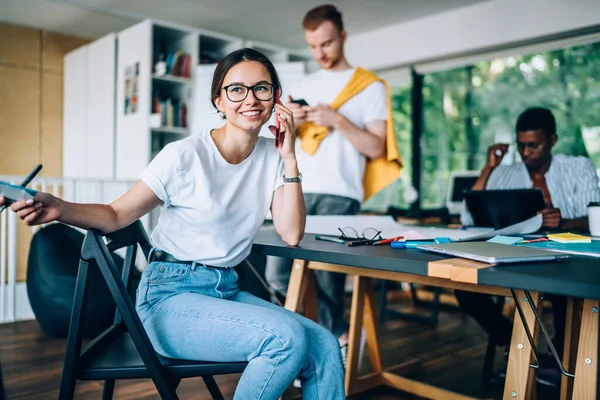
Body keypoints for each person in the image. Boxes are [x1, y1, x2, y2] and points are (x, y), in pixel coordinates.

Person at [2, 48, 345, 400]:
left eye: (262, 88)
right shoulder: (183, 156)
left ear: (276, 98)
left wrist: (289, 157)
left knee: (324, 345)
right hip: (170, 299)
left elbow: (291, 234)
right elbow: (117, 214)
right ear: (219, 100)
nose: (251, 98)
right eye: (237, 89)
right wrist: (59, 207)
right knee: (285, 340)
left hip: (225, 291)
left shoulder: (273, 155)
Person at [265, 4, 401, 358]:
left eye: (326, 44)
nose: (319, 53)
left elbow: (376, 148)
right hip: (297, 188)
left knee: (327, 278)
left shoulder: (368, 87)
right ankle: (305, 342)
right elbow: (281, 138)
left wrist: (337, 120)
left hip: (341, 192)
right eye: (312, 46)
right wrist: (290, 119)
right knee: (277, 274)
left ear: (342, 37)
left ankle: (335, 341)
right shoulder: (302, 84)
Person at [457, 106, 600, 387]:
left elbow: (596, 217)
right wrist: (489, 168)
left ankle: (557, 359)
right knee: (464, 285)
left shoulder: (577, 167)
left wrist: (564, 221)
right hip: (517, 253)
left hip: (566, 256)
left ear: (552, 140)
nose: (526, 153)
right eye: (521, 146)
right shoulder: (505, 174)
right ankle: (522, 346)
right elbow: (467, 215)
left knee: (563, 288)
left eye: (534, 145)